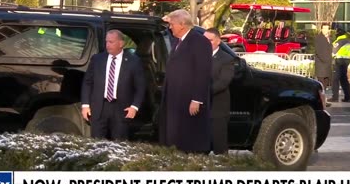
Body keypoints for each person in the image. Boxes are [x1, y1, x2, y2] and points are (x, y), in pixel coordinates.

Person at [158, 9, 212, 153]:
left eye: (172, 24)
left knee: (188, 138)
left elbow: (203, 72)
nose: (170, 27)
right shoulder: (178, 41)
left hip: (188, 99)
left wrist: (197, 99)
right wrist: (166, 19)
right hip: (174, 98)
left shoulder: (199, 41)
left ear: (182, 24)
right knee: (173, 136)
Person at [81, 29, 146, 139]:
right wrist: (85, 105)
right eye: (106, 42)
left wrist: (134, 107)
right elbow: (87, 83)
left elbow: (140, 87)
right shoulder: (97, 59)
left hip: (121, 109)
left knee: (119, 144)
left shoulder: (133, 61)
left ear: (121, 43)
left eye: (111, 42)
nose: (107, 45)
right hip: (99, 108)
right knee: (97, 144)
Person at [203, 28, 235, 154]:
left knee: (219, 143)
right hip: (199, 106)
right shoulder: (198, 56)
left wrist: (202, 93)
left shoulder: (226, 59)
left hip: (217, 106)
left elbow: (223, 82)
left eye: (209, 40)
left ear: (218, 41)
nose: (206, 43)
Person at [329, 28, 350, 102]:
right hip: (346, 61)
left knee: (335, 79)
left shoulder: (339, 41)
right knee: (344, 79)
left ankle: (335, 97)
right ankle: (348, 97)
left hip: (339, 61)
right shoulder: (348, 40)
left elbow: (333, 52)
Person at [314, 23, 333, 91]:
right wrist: (325, 60)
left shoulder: (330, 38)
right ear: (321, 29)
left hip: (328, 65)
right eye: (324, 28)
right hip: (321, 64)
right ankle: (321, 98)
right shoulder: (318, 38)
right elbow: (318, 51)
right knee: (321, 83)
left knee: (326, 83)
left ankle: (323, 97)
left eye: (327, 28)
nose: (325, 30)